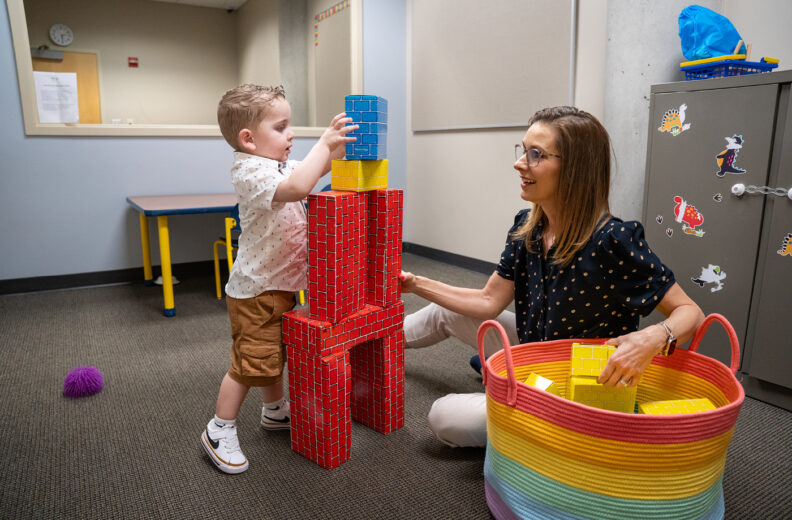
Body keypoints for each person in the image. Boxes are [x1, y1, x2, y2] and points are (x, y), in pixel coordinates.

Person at [400, 106, 704, 448]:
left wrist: (651, 338)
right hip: (535, 348)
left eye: (536, 155)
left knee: (445, 416)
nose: (519, 164)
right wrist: (415, 284)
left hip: (576, 383)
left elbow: (691, 313)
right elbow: (488, 301)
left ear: (574, 169)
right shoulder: (527, 227)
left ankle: (542, 412)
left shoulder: (613, 241)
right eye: (523, 150)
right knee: (446, 312)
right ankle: (364, 345)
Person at [201, 84, 357, 474]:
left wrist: (335, 149)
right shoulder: (251, 171)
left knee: (275, 357)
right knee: (250, 365)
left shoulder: (275, 163)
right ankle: (219, 429)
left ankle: (274, 411)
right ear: (248, 140)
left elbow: (313, 170)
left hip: (281, 287)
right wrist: (323, 142)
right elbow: (300, 186)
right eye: (282, 127)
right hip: (256, 293)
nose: (291, 135)